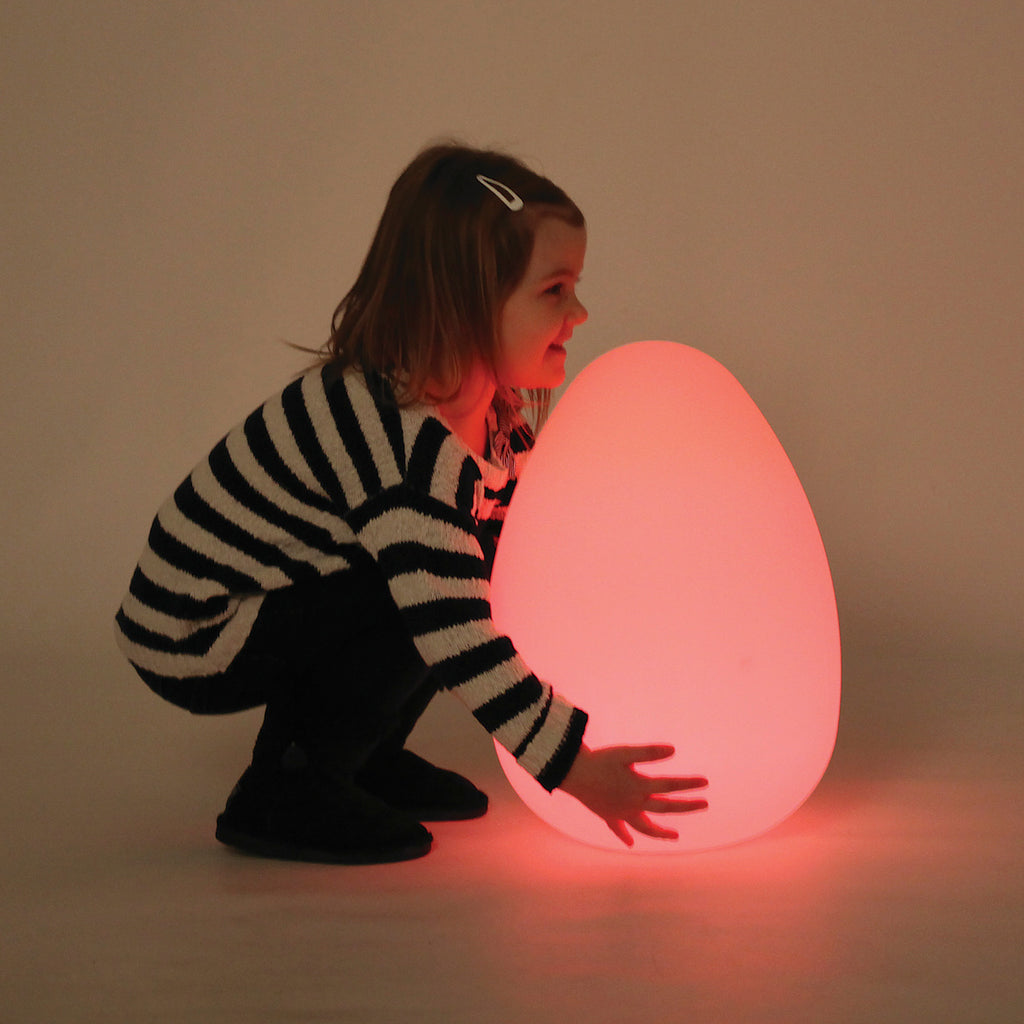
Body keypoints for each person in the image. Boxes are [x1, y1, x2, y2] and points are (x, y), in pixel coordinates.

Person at [114, 142, 709, 864]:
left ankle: (358, 756)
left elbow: (521, 553)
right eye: (554, 290)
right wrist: (576, 769)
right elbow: (454, 631)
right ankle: (292, 785)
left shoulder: (491, 417)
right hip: (194, 630)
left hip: (272, 594)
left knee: (464, 560)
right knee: (417, 595)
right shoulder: (408, 450)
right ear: (462, 307)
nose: (579, 311)